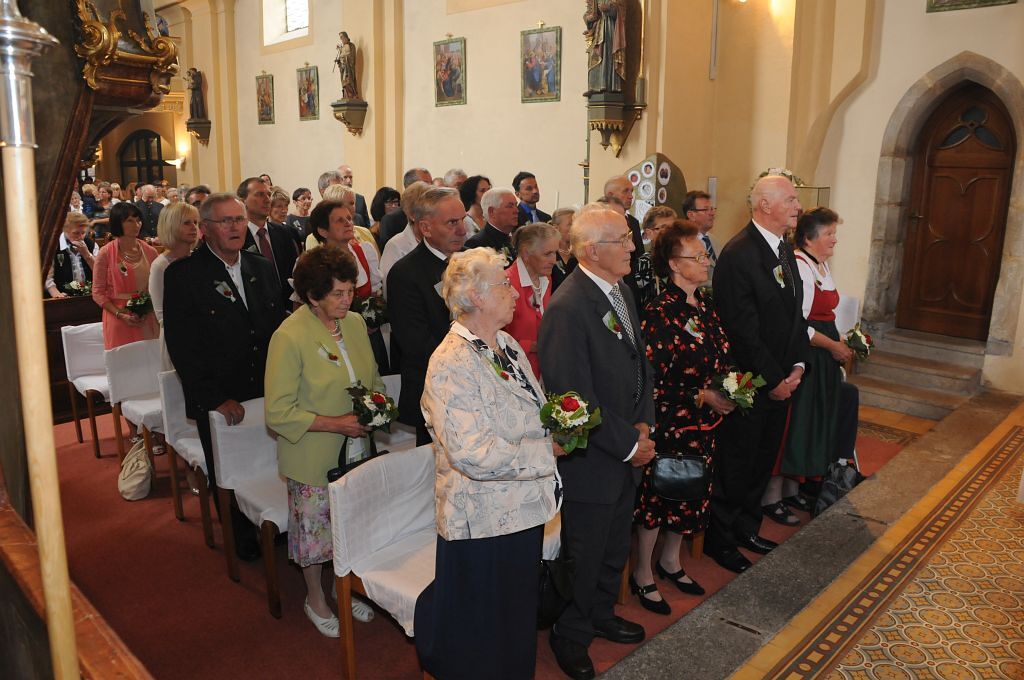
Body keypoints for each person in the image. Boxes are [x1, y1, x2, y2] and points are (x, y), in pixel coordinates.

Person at [416, 247, 560, 680]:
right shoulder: (450, 362)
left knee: (514, 624)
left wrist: (561, 423)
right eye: (504, 285)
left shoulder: (506, 345)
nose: (514, 292)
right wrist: (547, 452)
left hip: (520, 510)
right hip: (481, 521)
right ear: (476, 296)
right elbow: (472, 453)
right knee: (481, 636)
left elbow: (531, 410)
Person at [538, 204, 655, 680]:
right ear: (591, 251)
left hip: (626, 445)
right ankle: (570, 633)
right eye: (622, 239)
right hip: (592, 456)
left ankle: (600, 613)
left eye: (630, 237)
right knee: (584, 554)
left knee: (613, 545)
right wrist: (628, 443)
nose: (633, 246)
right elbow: (573, 399)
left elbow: (639, 364)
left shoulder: (619, 289)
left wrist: (644, 425)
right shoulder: (568, 308)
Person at [164, 193, 287, 561]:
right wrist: (213, 399)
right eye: (226, 221)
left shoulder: (259, 265)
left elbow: (276, 328)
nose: (236, 227)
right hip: (221, 393)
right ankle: (240, 537)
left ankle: (270, 522)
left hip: (264, 385)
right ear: (205, 228)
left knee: (269, 459)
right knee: (229, 467)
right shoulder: (185, 274)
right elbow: (182, 346)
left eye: (239, 219)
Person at [265, 247, 382, 637]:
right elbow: (278, 412)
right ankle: (315, 596)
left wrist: (377, 408)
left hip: (356, 447)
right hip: (312, 454)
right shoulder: (289, 336)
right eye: (337, 294)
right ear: (313, 296)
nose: (347, 300)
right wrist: (337, 424)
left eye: (350, 291)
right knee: (315, 535)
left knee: (351, 525)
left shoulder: (353, 323)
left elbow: (372, 379)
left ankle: (342, 587)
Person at [631, 220, 735, 616]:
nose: (706, 262)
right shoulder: (659, 312)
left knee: (690, 490)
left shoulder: (704, 304)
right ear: (674, 264)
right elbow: (651, 381)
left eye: (705, 255)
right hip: (670, 419)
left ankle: (671, 561)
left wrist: (729, 387)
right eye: (697, 256)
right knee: (660, 495)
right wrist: (701, 394)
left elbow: (720, 352)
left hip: (702, 422)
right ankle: (642, 571)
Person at [706, 174, 809, 575]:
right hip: (751, 383)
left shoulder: (783, 248)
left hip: (782, 379)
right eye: (791, 199)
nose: (798, 206)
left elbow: (794, 317)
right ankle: (720, 539)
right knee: (737, 463)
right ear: (765, 205)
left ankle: (746, 528)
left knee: (762, 461)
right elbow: (742, 331)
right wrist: (774, 380)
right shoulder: (740, 254)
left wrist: (798, 366)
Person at [768, 208, 859, 518]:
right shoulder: (800, 265)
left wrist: (841, 340)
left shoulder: (821, 265)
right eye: (829, 233)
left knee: (811, 422)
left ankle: (793, 490)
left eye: (834, 233)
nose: (834, 239)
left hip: (824, 356)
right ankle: (772, 496)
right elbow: (799, 324)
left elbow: (826, 314)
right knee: (796, 424)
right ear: (809, 238)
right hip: (807, 355)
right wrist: (832, 345)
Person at [387, 186, 467, 445]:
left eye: (463, 220)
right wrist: (467, 365)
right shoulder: (406, 273)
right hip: (436, 389)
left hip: (472, 384)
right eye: (452, 223)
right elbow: (416, 343)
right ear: (425, 228)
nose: (462, 230)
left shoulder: (470, 263)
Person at [91, 202, 160, 349]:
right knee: (123, 359)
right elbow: (97, 292)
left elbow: (157, 287)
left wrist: (146, 309)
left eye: (138, 220)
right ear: (118, 223)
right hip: (118, 317)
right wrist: (119, 314)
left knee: (149, 358)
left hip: (146, 316)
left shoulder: (151, 252)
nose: (136, 225)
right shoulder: (105, 253)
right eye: (130, 220)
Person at [149, 202, 200, 367]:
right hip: (177, 342)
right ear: (171, 225)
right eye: (187, 223)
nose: (194, 227)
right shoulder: (160, 266)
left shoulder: (198, 260)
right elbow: (162, 315)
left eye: (195, 222)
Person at [505, 223, 559, 379]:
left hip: (545, 369)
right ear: (526, 254)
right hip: (519, 372)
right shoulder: (506, 284)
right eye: (547, 254)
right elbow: (495, 337)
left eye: (555, 253)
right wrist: (533, 346)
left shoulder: (545, 278)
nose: (554, 260)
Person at [239, 177, 300, 307]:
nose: (267, 200)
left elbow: (294, 273)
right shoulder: (238, 238)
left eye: (268, 194)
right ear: (243, 201)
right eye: (260, 194)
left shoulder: (284, 233)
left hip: (287, 308)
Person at [379, 181, 432, 293]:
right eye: (428, 211)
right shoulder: (395, 246)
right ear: (412, 215)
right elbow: (390, 289)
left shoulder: (439, 241)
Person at [46, 212, 99, 298]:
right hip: (63, 295)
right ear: (65, 231)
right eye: (76, 233)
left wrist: (87, 254)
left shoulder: (91, 245)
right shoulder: (53, 246)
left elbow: (100, 272)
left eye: (83, 233)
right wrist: (57, 295)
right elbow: (48, 278)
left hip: (89, 294)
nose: (81, 237)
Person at [379, 167, 432, 246]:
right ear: (409, 186)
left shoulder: (436, 215)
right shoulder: (391, 220)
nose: (431, 188)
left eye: (431, 183)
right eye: (426, 184)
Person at [584, 0, 627, 96]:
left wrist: (609, 9)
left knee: (607, 55)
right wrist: (589, 18)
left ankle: (609, 85)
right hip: (597, 30)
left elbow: (622, 12)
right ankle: (594, 86)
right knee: (593, 55)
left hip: (610, 29)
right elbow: (588, 13)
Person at [465, 187, 519, 261]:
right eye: (510, 206)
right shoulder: (477, 244)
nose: (516, 211)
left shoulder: (511, 238)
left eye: (516, 205)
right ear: (492, 212)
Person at [682, 190, 718, 277]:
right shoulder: (683, 243)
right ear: (691, 215)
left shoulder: (715, 240)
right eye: (706, 209)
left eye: (712, 209)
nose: (712, 213)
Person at [550, 207, 578, 291]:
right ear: (556, 228)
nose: (575, 227)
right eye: (570, 224)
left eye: (576, 224)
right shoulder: (548, 254)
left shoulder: (580, 253)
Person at [335, 32, 359, 99]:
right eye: (340, 38)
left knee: (348, 81)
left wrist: (345, 58)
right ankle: (346, 95)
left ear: (346, 37)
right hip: (343, 68)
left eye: (342, 38)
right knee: (344, 82)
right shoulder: (342, 48)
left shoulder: (351, 46)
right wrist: (339, 61)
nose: (341, 40)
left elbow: (352, 57)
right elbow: (341, 57)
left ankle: (352, 95)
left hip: (349, 68)